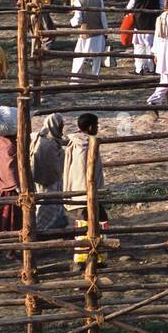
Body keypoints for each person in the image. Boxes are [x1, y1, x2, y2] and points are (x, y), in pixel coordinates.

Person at [65, 113, 108, 267]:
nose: (97, 128)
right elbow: (85, 172)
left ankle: (95, 255)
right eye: (96, 125)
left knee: (93, 222)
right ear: (90, 127)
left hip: (80, 190)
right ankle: (85, 260)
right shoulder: (85, 145)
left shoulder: (76, 142)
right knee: (89, 223)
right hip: (85, 192)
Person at [29, 112, 70, 232]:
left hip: (53, 178)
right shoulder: (46, 143)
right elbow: (48, 163)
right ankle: (41, 231)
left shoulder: (51, 140)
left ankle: (56, 230)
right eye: (60, 126)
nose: (62, 129)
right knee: (46, 205)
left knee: (55, 204)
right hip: (46, 179)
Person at [70, 0, 113, 77]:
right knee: (96, 58)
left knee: (79, 56)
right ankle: (94, 77)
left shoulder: (79, 1)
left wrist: (71, 22)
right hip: (99, 32)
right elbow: (103, 16)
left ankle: (76, 77)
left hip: (86, 33)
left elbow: (77, 20)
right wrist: (105, 31)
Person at [128, 0, 161, 75]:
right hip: (152, 21)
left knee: (139, 46)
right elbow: (161, 4)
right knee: (151, 46)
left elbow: (130, 6)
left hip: (139, 22)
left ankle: (140, 68)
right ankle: (151, 68)